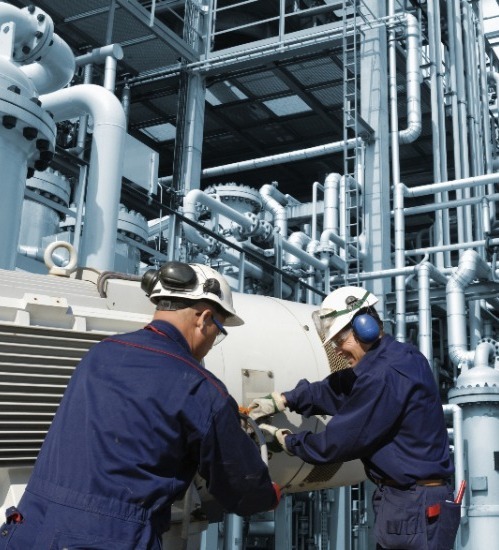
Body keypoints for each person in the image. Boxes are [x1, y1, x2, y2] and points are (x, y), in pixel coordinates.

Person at [0, 262, 280, 550]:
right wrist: (269, 495)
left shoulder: (98, 354)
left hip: (29, 528)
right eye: (218, 331)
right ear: (204, 318)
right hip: (108, 540)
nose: (212, 341)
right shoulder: (199, 388)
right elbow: (240, 487)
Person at [249, 286, 461, 550]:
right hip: (406, 500)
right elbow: (337, 389)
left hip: (414, 505)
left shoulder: (384, 373)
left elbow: (337, 443)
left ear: (366, 326)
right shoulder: (395, 357)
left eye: (340, 340)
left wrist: (289, 441)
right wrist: (285, 399)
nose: (337, 350)